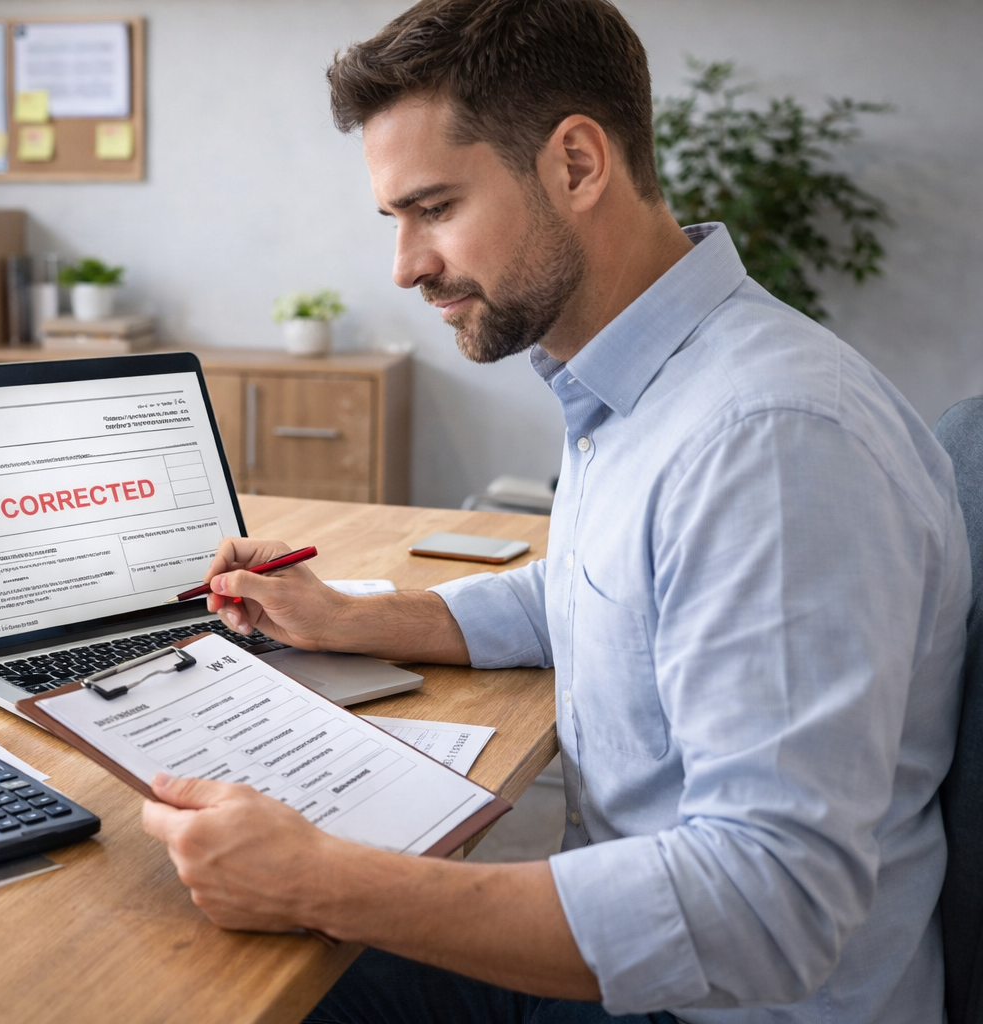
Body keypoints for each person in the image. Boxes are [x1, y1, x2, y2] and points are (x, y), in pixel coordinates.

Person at [137, 1, 972, 1021]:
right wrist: (352, 616)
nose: (405, 266)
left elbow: (771, 910)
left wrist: (319, 879)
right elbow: (600, 590)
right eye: (395, 218)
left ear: (577, 164)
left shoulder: (770, 440)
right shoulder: (647, 383)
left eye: (434, 207)